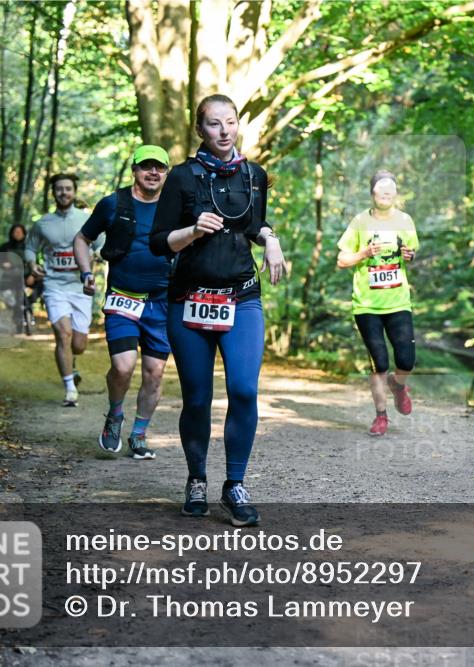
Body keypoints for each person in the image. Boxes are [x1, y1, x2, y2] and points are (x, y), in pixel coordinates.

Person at [149, 93, 287, 524]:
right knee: (198, 398)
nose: (224, 131)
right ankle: (196, 479)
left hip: (242, 297)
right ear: (200, 129)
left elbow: (252, 224)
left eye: (230, 122)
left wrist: (271, 239)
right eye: (214, 124)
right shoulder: (182, 178)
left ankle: (235, 484)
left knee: (244, 390)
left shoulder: (255, 175)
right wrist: (191, 231)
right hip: (190, 300)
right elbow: (158, 242)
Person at [73, 145, 172, 460]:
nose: (153, 172)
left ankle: (140, 434)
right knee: (122, 366)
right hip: (123, 299)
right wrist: (86, 272)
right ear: (135, 170)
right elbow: (82, 239)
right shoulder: (113, 204)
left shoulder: (176, 208)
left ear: (167, 173)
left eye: (159, 167)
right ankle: (115, 413)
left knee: (154, 372)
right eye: (147, 166)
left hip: (162, 303)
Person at [336, 170, 419, 436]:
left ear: (395, 194)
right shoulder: (360, 222)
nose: (385, 195)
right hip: (367, 305)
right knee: (379, 362)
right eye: (380, 190)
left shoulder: (405, 221)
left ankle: (398, 385)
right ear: (372, 193)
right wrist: (364, 253)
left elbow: (411, 253)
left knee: (406, 359)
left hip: (398, 302)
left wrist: (409, 255)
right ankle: (381, 416)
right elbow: (342, 260)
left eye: (390, 191)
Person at [25, 173, 100, 407]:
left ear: (74, 191)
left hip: (80, 286)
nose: (64, 193)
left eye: (68, 188)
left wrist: (97, 255)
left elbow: (102, 243)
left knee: (79, 344)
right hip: (54, 285)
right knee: (63, 335)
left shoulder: (86, 219)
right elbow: (30, 247)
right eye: (59, 189)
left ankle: (72, 364)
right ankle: (69, 389)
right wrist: (31, 264)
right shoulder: (43, 223)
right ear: (53, 193)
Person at [0, 223, 38, 334]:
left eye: (20, 232)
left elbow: (35, 264)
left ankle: (29, 308)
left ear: (24, 233)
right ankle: (16, 312)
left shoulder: (29, 248)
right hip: (10, 278)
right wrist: (4, 264)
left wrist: (32, 276)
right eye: (15, 232)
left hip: (26, 277)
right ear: (11, 233)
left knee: (40, 287)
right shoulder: (4, 247)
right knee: (7, 295)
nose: (18, 234)